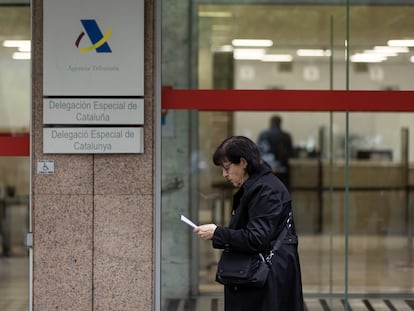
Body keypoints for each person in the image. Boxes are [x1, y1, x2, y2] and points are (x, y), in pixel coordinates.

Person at [194, 136, 304, 311]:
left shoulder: (266, 190)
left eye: (227, 167)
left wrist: (218, 232)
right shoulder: (257, 186)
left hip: (267, 281)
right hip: (259, 278)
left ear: (243, 162)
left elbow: (255, 238)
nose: (224, 174)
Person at [257, 115, 294, 189]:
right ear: (280, 123)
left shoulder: (263, 135)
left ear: (270, 123)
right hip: (281, 170)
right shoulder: (285, 136)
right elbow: (290, 153)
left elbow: (259, 152)